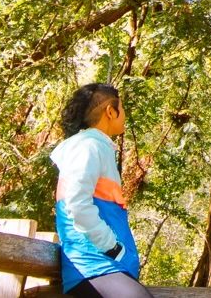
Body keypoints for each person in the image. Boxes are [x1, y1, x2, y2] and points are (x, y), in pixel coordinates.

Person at [52, 83, 151, 298]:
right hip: (92, 266)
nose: (124, 115)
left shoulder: (96, 147)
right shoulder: (88, 146)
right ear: (110, 111)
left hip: (104, 268)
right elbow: (76, 203)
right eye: (122, 109)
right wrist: (112, 248)